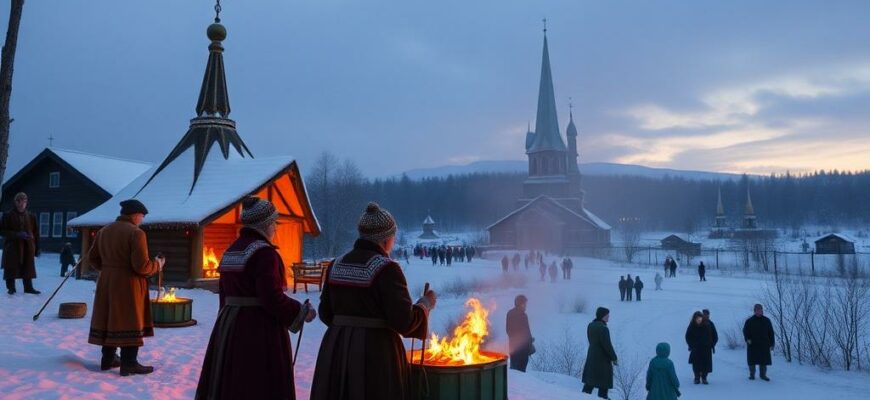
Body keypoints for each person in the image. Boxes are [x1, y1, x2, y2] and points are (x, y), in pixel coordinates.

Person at [311, 203, 435, 400]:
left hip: (336, 350)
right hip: (375, 355)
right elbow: (404, 322)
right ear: (386, 239)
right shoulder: (387, 269)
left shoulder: (336, 264)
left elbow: (326, 313)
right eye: (393, 237)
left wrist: (347, 330)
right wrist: (425, 304)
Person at [196, 197, 317, 399]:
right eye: (274, 223)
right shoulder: (265, 254)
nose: (275, 228)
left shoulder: (230, 251)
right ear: (266, 224)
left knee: (232, 380)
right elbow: (271, 297)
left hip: (228, 328)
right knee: (257, 382)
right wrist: (300, 311)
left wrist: (224, 326)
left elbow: (224, 295)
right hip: (258, 331)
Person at [87, 199, 164, 376]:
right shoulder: (136, 233)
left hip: (106, 282)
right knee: (130, 319)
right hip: (128, 284)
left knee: (110, 318)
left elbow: (93, 258)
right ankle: (129, 363)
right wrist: (157, 265)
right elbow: (141, 266)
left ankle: (108, 359)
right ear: (135, 214)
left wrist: (108, 270)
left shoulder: (104, 231)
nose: (142, 220)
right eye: (142, 217)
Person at [1, 192, 41, 294]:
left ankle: (28, 287)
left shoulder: (31, 216)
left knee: (28, 266)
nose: (21, 203)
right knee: (11, 267)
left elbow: (36, 233)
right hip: (12, 246)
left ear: (26, 202)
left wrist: (37, 248)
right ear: (15, 202)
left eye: (23, 201)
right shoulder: (8, 215)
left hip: (28, 246)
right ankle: (11, 288)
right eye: (18, 201)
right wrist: (17, 234)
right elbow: (2, 231)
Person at [582, 307, 618, 399]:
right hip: (602, 359)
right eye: (607, 315)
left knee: (590, 381)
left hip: (591, 355)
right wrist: (614, 358)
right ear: (602, 316)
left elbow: (591, 340)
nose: (609, 317)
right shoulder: (603, 328)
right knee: (603, 382)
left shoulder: (591, 325)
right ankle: (603, 397)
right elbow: (607, 345)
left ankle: (581, 397)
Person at [743, 304, 775, 381]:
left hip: (764, 344)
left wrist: (772, 344)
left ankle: (763, 375)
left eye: (760, 310)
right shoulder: (749, 321)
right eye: (757, 310)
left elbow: (771, 333)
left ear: (762, 310)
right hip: (752, 344)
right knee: (752, 361)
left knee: (763, 361)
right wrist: (747, 339)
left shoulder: (767, 320)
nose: (759, 311)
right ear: (754, 311)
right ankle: (752, 375)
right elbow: (745, 331)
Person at [685, 311, 714, 384]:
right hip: (696, 348)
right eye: (697, 318)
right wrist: (691, 345)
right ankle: (697, 377)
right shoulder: (692, 326)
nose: (698, 320)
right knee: (696, 363)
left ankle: (704, 377)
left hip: (706, 348)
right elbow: (688, 336)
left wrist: (711, 344)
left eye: (700, 318)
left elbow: (713, 336)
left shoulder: (708, 325)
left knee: (705, 363)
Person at [506, 295, 534, 372]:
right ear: (520, 304)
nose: (526, 306)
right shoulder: (521, 315)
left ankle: (520, 382)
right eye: (524, 304)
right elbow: (510, 331)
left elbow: (526, 331)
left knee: (516, 369)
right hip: (519, 349)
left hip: (516, 348)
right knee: (519, 369)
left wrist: (530, 340)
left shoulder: (512, 313)